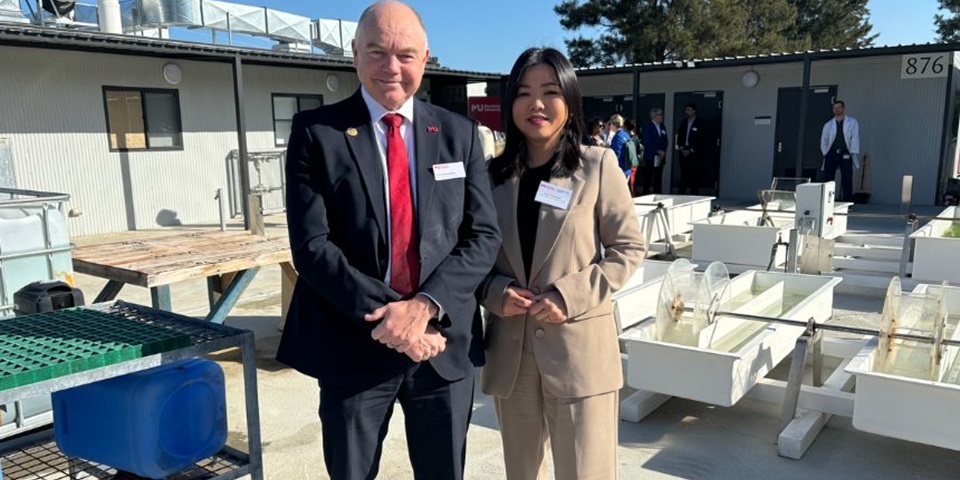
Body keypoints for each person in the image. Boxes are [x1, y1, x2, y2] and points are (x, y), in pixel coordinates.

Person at [276, 2, 501, 478]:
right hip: (352, 343)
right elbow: (313, 248)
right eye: (377, 51)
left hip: (440, 344)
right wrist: (396, 320)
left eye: (405, 54)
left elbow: (482, 236)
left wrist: (421, 311)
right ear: (354, 53)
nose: (391, 67)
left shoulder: (459, 134)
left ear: (426, 58)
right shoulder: (317, 133)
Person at [480, 47, 646, 480]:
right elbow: (471, 256)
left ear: (569, 101)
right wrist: (497, 294)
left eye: (550, 91)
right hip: (512, 355)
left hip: (579, 353)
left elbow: (628, 248)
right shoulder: (491, 176)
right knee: (521, 472)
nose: (536, 104)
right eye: (524, 93)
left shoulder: (597, 166)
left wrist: (567, 296)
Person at [820, 100, 860, 201]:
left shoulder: (852, 122)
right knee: (828, 177)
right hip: (832, 152)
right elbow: (823, 141)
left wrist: (852, 152)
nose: (837, 110)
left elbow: (855, 137)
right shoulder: (828, 125)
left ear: (843, 108)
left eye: (839, 107)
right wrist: (826, 153)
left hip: (846, 152)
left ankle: (848, 201)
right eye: (835, 108)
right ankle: (827, 201)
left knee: (847, 177)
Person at [675, 103, 705, 194]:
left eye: (688, 110)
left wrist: (691, 150)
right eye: (686, 110)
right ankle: (680, 195)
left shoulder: (700, 123)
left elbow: (702, 139)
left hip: (694, 153)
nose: (686, 112)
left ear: (694, 111)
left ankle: (694, 195)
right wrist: (681, 148)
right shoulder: (684, 122)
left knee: (694, 175)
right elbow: (679, 136)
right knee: (683, 175)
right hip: (683, 151)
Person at [640, 108, 668, 196]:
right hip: (651, 156)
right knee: (648, 177)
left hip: (660, 157)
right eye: (660, 114)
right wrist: (657, 150)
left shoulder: (662, 126)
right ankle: (646, 195)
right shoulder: (648, 126)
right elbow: (646, 141)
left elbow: (665, 140)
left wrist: (663, 151)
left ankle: (658, 195)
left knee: (658, 176)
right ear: (654, 116)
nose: (661, 116)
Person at [622, 118, 643, 194]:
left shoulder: (629, 137)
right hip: (634, 162)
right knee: (632, 181)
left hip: (629, 162)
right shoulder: (635, 137)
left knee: (630, 182)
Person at [607, 114, 632, 178]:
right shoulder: (626, 134)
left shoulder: (617, 137)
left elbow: (616, 155)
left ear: (613, 124)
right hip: (627, 169)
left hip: (621, 170)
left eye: (610, 124)